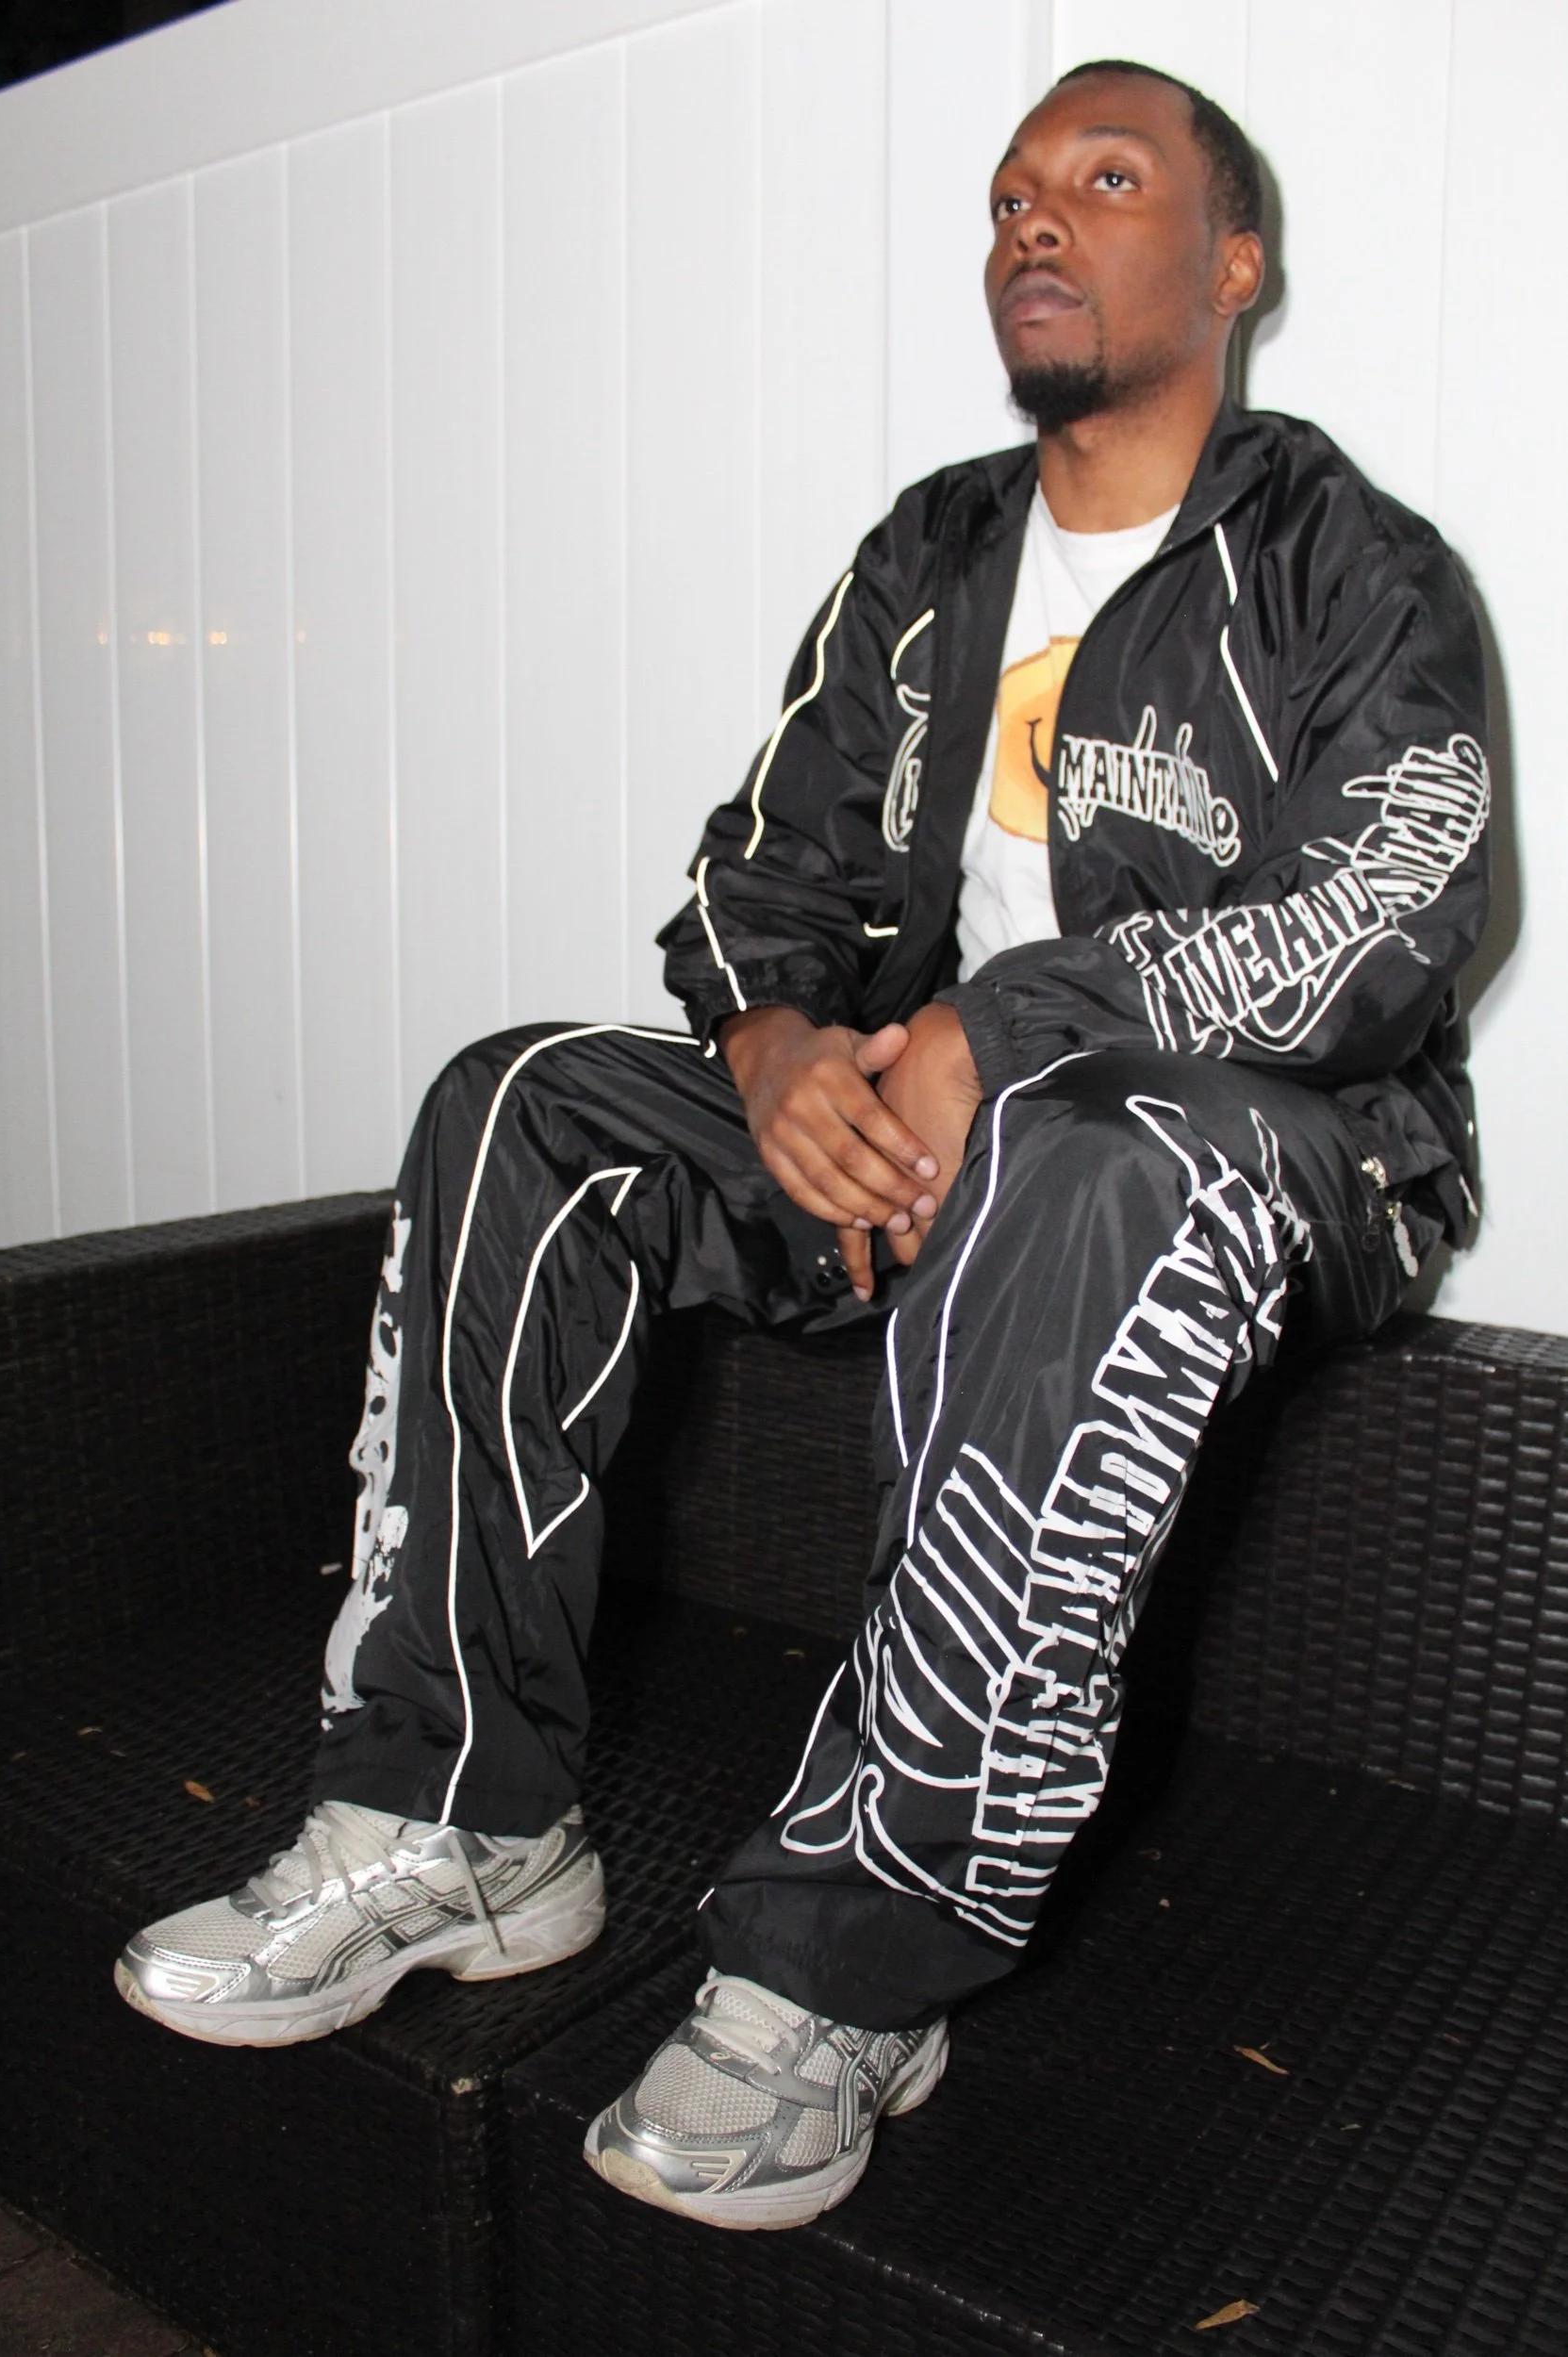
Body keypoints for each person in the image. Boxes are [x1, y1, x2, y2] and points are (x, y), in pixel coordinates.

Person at [114, 58, 1489, 2232]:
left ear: (1233, 263)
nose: (1032, 220)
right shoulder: (932, 550)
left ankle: (844, 1964)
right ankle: (461, 1816)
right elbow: (761, 872)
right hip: (921, 1136)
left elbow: (1389, 917)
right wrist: (770, 1052)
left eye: (1102, 179)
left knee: (1079, 1156)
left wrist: (994, 1035)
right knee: (521, 1099)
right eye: (1007, 193)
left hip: (1265, 1155)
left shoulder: (1351, 565)